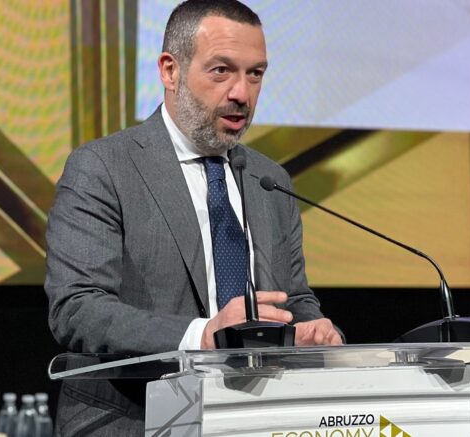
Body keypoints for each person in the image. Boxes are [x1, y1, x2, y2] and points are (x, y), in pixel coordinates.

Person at [45, 0, 343, 434]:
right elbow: (78, 310)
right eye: (221, 70)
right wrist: (203, 336)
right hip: (133, 420)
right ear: (170, 71)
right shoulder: (103, 168)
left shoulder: (269, 180)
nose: (242, 93)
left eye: (255, 74)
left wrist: (314, 331)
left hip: (254, 420)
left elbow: (293, 298)